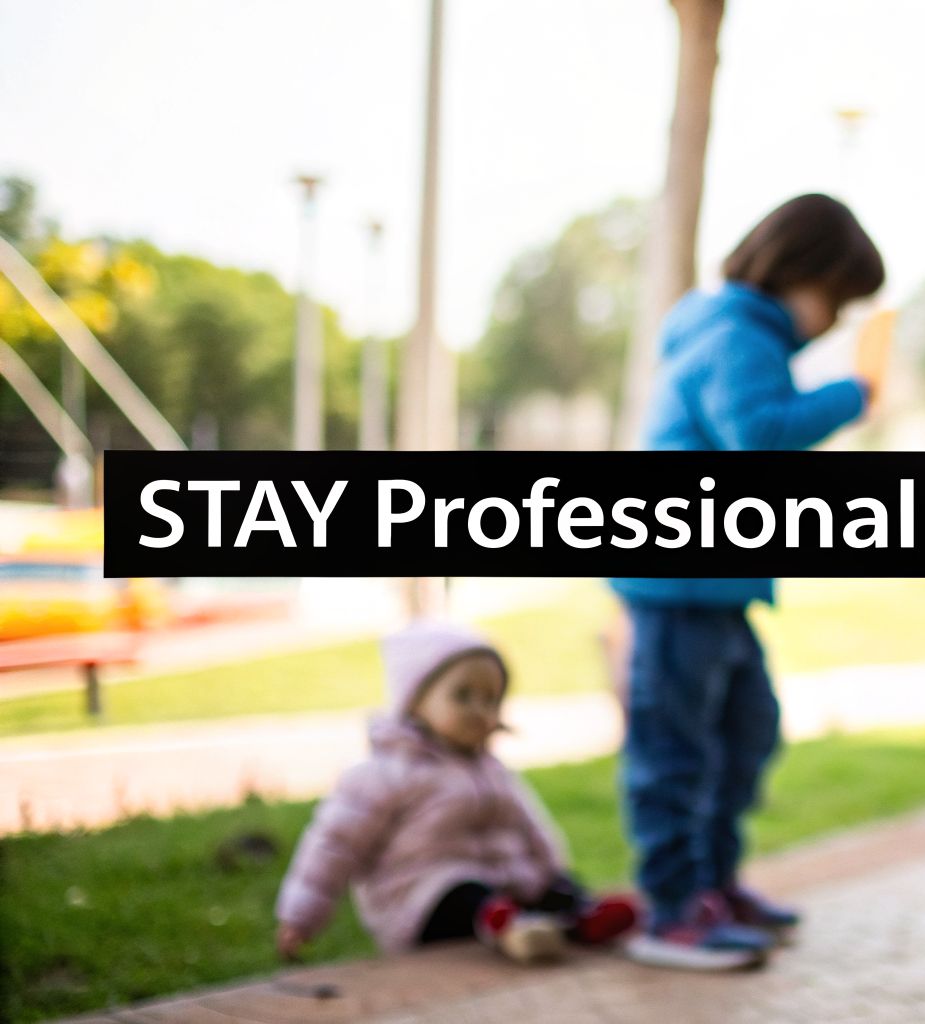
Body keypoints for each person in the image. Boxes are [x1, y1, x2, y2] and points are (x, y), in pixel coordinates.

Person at [609, 193, 885, 971]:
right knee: (677, 751)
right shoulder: (733, 334)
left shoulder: (739, 333)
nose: (832, 322)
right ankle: (670, 911)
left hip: (715, 586)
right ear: (802, 273)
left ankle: (713, 885)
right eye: (835, 301)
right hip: (675, 584)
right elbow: (756, 437)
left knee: (745, 730)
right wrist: (853, 394)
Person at [274, 620, 637, 963]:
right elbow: (335, 845)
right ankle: (512, 926)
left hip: (502, 885)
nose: (480, 711)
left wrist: (551, 872)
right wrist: (300, 917)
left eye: (492, 699)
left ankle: (577, 916)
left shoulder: (492, 770)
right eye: (463, 696)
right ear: (414, 701)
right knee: (462, 894)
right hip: (420, 901)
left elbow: (531, 825)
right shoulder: (383, 774)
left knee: (551, 887)